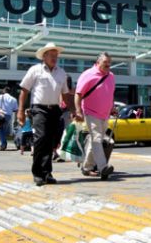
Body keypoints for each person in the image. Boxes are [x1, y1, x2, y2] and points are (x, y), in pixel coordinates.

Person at [17, 43, 70, 186]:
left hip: (55, 109)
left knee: (50, 142)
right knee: (41, 138)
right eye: (51, 55)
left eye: (56, 55)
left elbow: (65, 94)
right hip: (39, 109)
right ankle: (37, 173)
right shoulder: (35, 70)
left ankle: (47, 173)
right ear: (44, 56)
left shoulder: (61, 72)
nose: (54, 58)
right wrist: (20, 110)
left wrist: (73, 111)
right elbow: (24, 90)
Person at [74, 52, 116, 180]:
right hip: (90, 112)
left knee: (95, 141)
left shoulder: (111, 76)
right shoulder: (88, 74)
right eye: (105, 63)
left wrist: (112, 107)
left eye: (109, 63)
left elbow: (110, 94)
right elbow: (78, 94)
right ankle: (103, 167)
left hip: (105, 114)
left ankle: (86, 167)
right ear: (98, 62)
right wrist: (78, 111)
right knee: (97, 138)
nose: (108, 65)